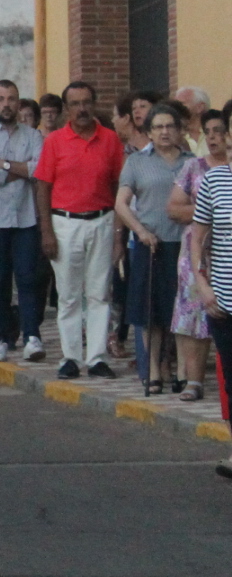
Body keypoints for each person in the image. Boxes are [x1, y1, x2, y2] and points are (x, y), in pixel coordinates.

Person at [34, 81, 126, 380]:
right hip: (65, 223)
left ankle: (97, 358)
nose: (82, 108)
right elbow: (43, 187)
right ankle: (71, 357)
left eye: (87, 102)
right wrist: (46, 231)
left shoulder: (110, 140)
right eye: (75, 103)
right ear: (66, 109)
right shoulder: (55, 141)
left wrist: (118, 234)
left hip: (102, 220)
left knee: (99, 293)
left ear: (94, 104)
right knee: (69, 295)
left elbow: (119, 186)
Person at [117, 104, 191, 396]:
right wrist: (140, 231)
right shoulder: (137, 162)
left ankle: (180, 369)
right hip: (151, 244)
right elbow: (121, 204)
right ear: (149, 132)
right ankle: (153, 369)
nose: (164, 132)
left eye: (170, 126)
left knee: (180, 310)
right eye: (158, 127)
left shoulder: (192, 162)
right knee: (151, 311)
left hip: (184, 245)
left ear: (179, 130)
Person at [0, 80, 47, 362]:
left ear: (18, 102)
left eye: (11, 98)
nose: (6, 104)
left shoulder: (33, 136)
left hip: (26, 218)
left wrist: (2, 164)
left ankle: (32, 337)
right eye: (1, 99)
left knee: (28, 279)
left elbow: (39, 170)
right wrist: (21, 170)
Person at [166, 107, 229, 402]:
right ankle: (194, 380)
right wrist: (210, 209)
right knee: (195, 312)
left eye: (219, 131)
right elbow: (174, 208)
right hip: (199, 251)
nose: (214, 137)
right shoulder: (196, 168)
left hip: (225, 255)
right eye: (209, 132)